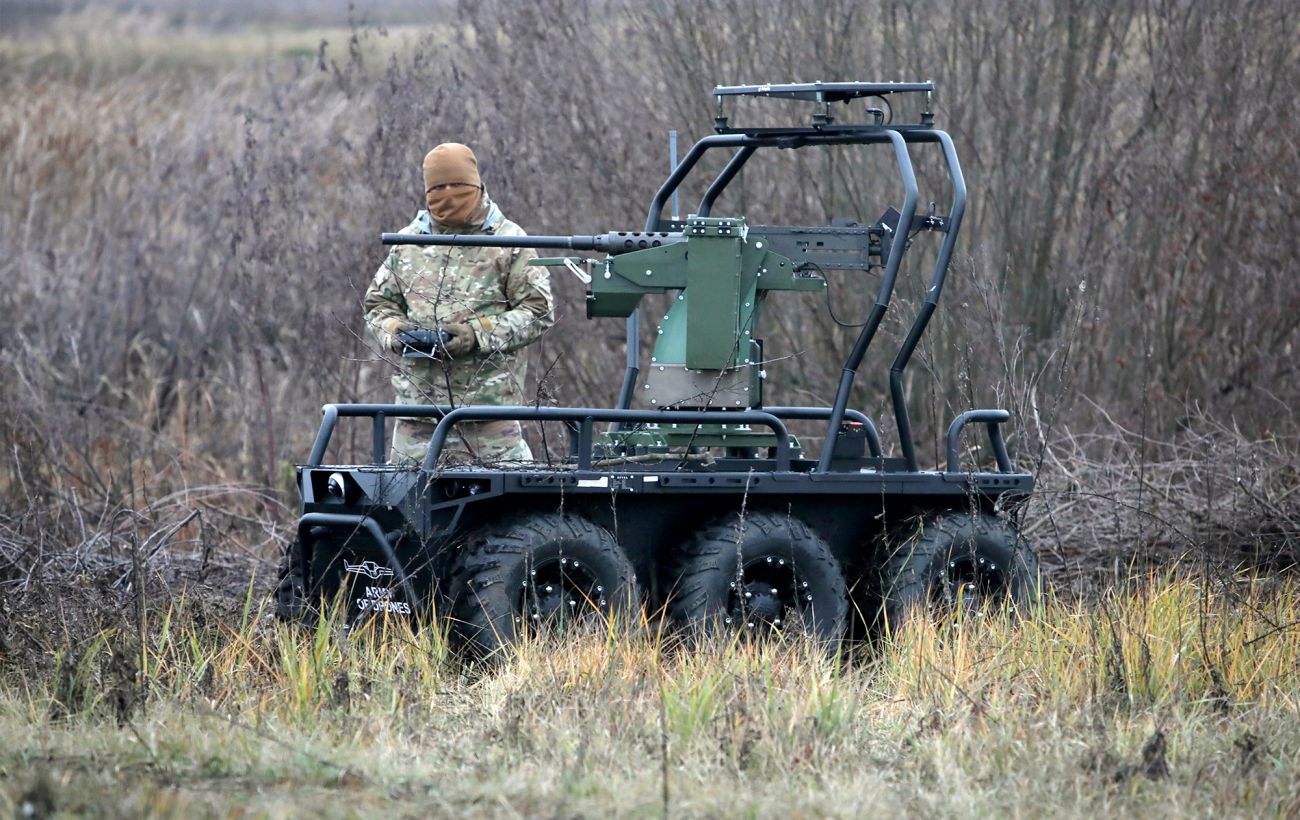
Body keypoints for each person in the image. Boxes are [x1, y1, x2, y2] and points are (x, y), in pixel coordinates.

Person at [364, 143, 554, 465]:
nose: (448, 195)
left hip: (489, 421)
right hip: (417, 419)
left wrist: (476, 334)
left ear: (476, 185)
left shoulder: (509, 242)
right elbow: (377, 305)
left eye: (457, 185)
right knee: (404, 498)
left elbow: (538, 312)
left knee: (503, 497)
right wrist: (397, 332)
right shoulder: (408, 243)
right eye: (438, 188)